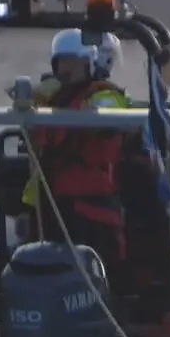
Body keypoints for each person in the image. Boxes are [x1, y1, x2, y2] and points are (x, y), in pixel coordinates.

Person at [21, 29, 136, 281]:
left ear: (89, 64)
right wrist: (35, 100)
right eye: (62, 62)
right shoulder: (50, 101)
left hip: (93, 213)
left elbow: (102, 115)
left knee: (101, 274)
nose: (67, 68)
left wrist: (76, 110)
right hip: (52, 209)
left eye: (74, 62)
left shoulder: (105, 95)